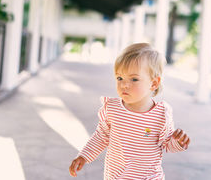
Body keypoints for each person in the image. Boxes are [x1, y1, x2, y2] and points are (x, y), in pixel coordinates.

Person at [69, 43, 190, 179]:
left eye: (134, 79)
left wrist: (178, 142)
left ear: (154, 83)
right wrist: (84, 156)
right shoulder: (112, 109)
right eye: (120, 78)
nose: (124, 84)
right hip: (116, 176)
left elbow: (167, 144)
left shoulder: (161, 114)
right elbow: (101, 136)